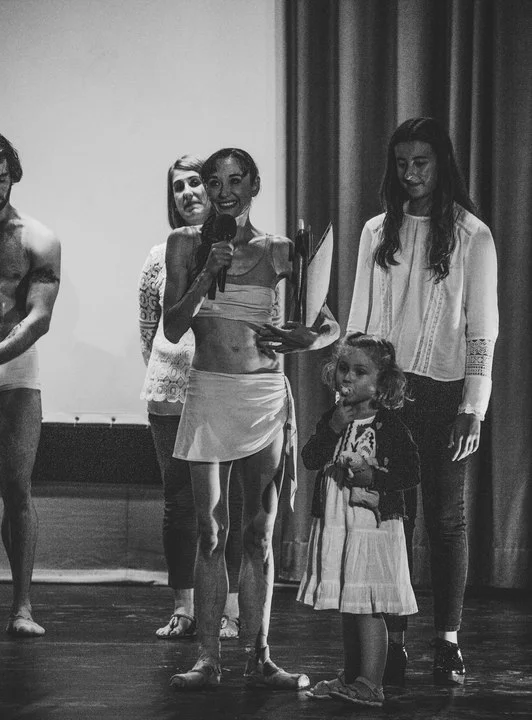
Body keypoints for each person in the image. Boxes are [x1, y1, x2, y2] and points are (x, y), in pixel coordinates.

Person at [163, 147, 340, 690]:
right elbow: (172, 327)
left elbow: (328, 324)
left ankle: (259, 656)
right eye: (214, 182)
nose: (223, 192)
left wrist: (307, 338)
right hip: (210, 392)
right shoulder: (185, 244)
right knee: (210, 530)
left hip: (262, 396)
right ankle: (208, 658)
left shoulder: (281, 249)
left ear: (254, 185)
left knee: (259, 534)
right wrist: (204, 275)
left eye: (235, 181)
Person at [347, 117, 498, 685]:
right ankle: (396, 640)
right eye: (402, 163)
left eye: (421, 162)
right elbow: (359, 320)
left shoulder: (471, 235)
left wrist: (472, 408)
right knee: (394, 520)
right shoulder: (375, 231)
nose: (410, 173)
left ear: (442, 165)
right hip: (387, 394)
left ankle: (448, 640)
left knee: (446, 518)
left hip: (442, 394)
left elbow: (482, 331)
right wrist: (354, 395)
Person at [139, 155, 242, 640]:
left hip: (222, 386)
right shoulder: (159, 254)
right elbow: (149, 327)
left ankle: (228, 610)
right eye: (178, 187)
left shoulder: (244, 250)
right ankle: (184, 607)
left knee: (226, 504)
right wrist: (167, 371)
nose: (188, 193)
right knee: (179, 502)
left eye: (196, 182)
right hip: (171, 391)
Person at [297, 333, 419, 708]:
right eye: (344, 368)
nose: (348, 377)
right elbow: (310, 458)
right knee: (351, 604)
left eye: (360, 372)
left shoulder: (389, 425)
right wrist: (332, 427)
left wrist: (374, 478)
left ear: (382, 383)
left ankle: (371, 683)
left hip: (373, 528)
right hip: (340, 525)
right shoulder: (333, 419)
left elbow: (411, 471)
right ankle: (351, 676)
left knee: (368, 605)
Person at [0, 131, 61, 636]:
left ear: (12, 176)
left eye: (1, 177)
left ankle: (22, 607)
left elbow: (38, 318)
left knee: (17, 488)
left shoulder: (38, 238)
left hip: (13, 365)